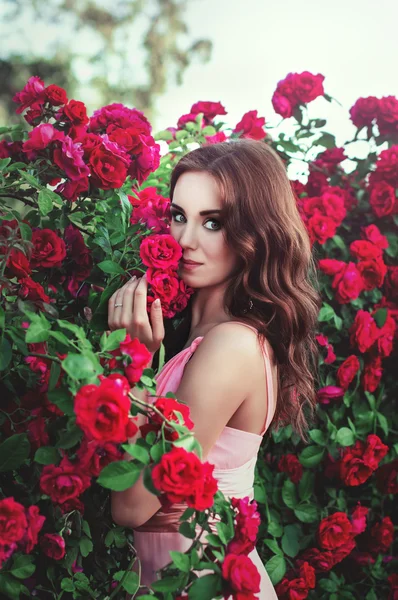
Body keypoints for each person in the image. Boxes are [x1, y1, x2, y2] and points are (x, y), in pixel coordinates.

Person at [108, 139, 322, 598]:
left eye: (213, 223)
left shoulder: (232, 346)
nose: (185, 240)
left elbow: (131, 506)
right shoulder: (199, 336)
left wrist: (135, 365)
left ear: (255, 233)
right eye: (179, 215)